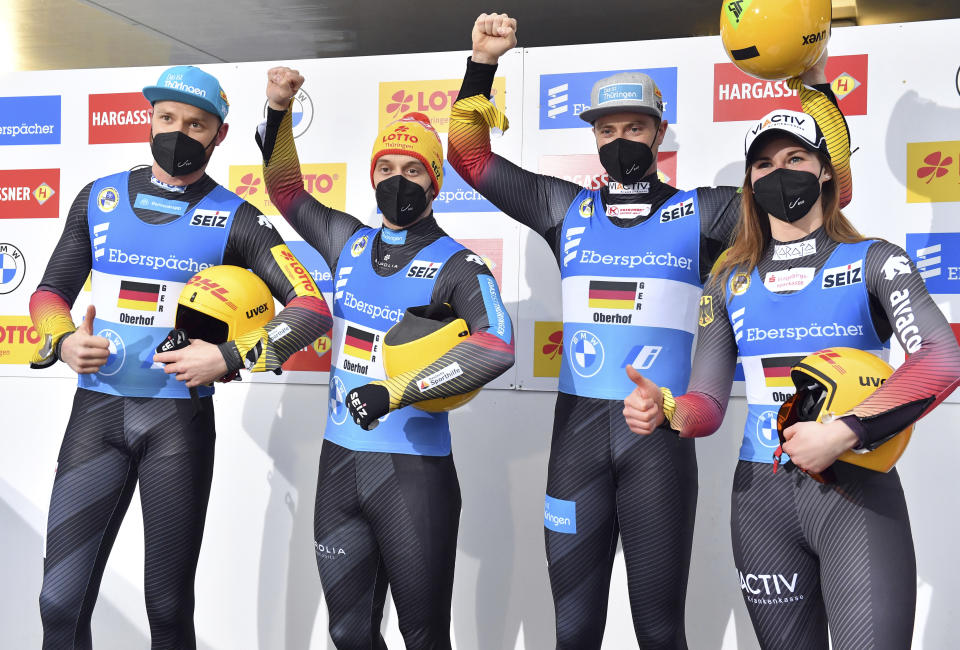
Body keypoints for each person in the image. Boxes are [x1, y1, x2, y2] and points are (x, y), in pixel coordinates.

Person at [447, 12, 850, 648]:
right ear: (595, 140)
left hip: (656, 445)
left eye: (636, 126)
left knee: (659, 631)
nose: (621, 138)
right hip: (575, 445)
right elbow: (468, 159)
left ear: (660, 132)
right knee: (573, 630)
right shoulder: (565, 208)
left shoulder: (705, 211)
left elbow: (825, 192)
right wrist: (482, 63)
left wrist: (814, 86)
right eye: (608, 129)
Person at [623, 107, 960, 648]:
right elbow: (707, 405)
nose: (779, 172)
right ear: (750, 184)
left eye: (795, 157)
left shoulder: (875, 260)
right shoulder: (728, 280)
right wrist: (665, 410)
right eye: (763, 164)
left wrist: (844, 431)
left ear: (825, 170)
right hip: (762, 501)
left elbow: (940, 359)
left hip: (855, 491)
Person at [29, 65, 332, 650]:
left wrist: (230, 356)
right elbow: (47, 295)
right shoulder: (99, 197)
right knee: (58, 602)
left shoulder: (238, 218)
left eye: (196, 124)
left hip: (176, 425)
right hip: (96, 417)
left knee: (166, 609)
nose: (178, 132)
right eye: (166, 117)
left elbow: (311, 309)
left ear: (218, 135)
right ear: (149, 119)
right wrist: (63, 340)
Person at [258, 66, 515, 649]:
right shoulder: (346, 240)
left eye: (412, 170)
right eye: (385, 168)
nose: (396, 180)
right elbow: (286, 191)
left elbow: (496, 344)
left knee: (423, 637)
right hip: (337, 467)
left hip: (413, 474)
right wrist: (277, 112)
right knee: (349, 632)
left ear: (435, 182)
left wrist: (396, 392)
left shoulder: (459, 264)